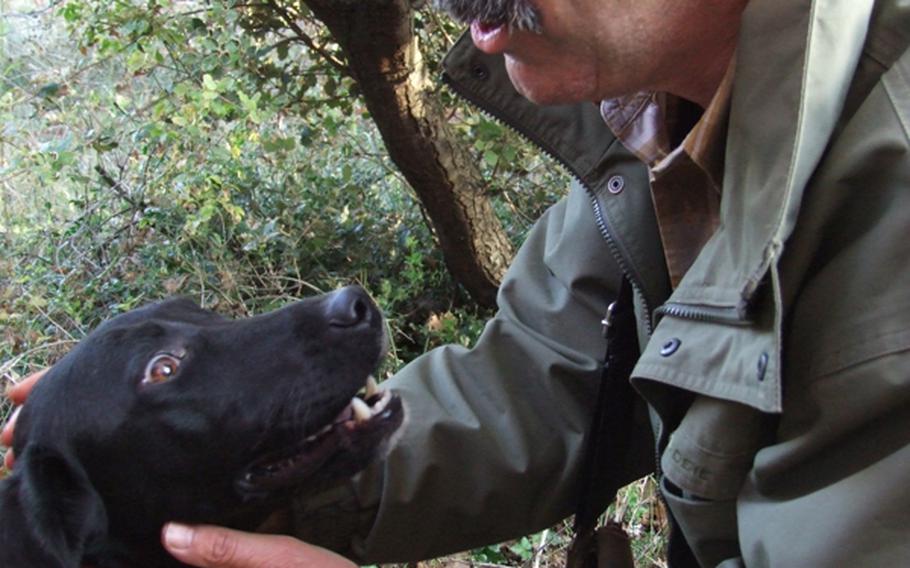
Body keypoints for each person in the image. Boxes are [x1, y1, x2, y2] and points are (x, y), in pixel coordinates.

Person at [5, 0, 910, 566]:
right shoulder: (659, 134)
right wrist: (180, 458)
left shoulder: (889, 200)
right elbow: (547, 380)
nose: (468, 13)